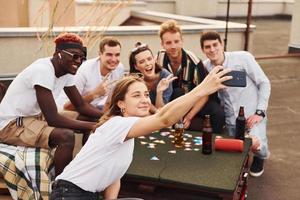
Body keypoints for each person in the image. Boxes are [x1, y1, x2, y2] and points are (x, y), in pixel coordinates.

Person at [50, 66, 232, 200]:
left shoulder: (126, 133)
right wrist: (201, 89)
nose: (145, 100)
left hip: (85, 194)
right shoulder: (117, 124)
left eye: (146, 95)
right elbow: (164, 118)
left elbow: (114, 177)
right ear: (120, 104)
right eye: (136, 96)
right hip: (69, 194)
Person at [0, 33, 102, 176]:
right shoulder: (43, 70)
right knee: (66, 136)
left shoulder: (66, 71)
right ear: (58, 53)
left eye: (82, 58)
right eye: (74, 56)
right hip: (10, 125)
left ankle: (84, 169)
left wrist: (108, 117)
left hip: (33, 118)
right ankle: (62, 187)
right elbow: (52, 119)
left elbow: (81, 106)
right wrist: (94, 126)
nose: (79, 61)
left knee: (88, 119)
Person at [200, 31, 271, 177]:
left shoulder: (243, 58)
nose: (212, 49)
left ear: (222, 44)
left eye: (215, 45)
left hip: (252, 114)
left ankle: (260, 157)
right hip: (231, 119)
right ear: (203, 50)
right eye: (208, 47)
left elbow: (264, 83)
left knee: (256, 144)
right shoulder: (206, 67)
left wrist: (260, 112)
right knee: (237, 149)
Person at [157, 19, 225, 133]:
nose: (173, 46)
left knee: (218, 114)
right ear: (162, 44)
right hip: (175, 100)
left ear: (182, 41)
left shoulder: (193, 61)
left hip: (197, 99)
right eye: (168, 43)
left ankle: (213, 142)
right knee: (177, 91)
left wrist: (189, 116)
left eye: (176, 41)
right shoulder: (159, 58)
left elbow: (204, 94)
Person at [56, 36, 124, 112]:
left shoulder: (119, 68)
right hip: (66, 111)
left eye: (117, 55)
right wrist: (94, 94)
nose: (114, 59)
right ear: (100, 54)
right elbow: (68, 106)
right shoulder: (83, 70)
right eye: (109, 55)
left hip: (95, 108)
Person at [129, 42, 176, 113]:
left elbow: (161, 110)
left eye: (149, 59)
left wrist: (159, 91)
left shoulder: (165, 76)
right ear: (136, 66)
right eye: (142, 62)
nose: (147, 64)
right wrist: (156, 112)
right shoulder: (133, 80)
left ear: (155, 60)